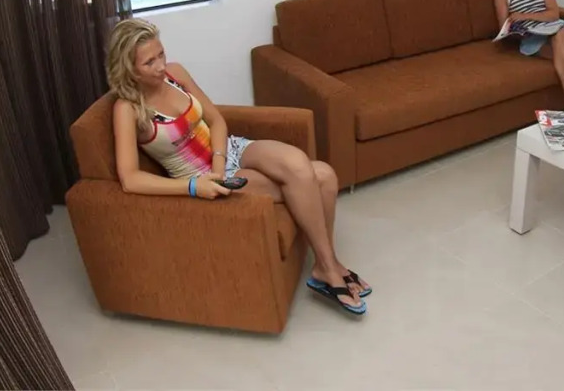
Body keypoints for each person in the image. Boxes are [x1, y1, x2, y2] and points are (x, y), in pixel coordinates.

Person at [106, 18, 370, 316]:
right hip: (203, 179)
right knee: (321, 177)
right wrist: (194, 186)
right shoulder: (127, 109)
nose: (160, 65)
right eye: (149, 62)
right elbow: (130, 178)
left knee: (312, 168)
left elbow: (216, 120)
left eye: (161, 54)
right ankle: (329, 268)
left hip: (228, 151)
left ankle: (326, 264)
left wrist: (219, 160)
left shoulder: (175, 74)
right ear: (129, 69)